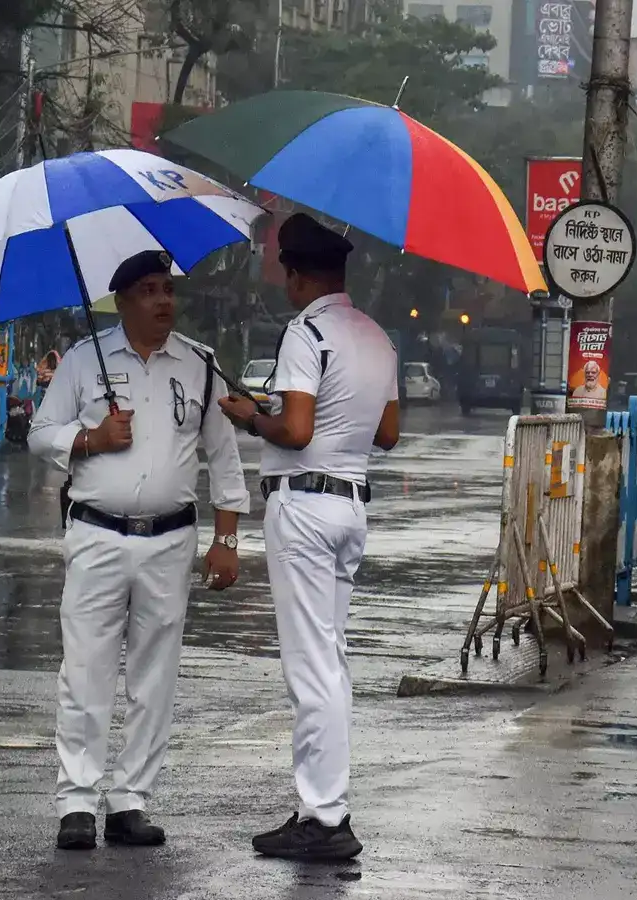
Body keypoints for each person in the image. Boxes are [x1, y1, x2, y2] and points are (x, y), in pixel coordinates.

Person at [29, 249, 250, 851]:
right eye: (149, 291)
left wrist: (227, 539)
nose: (163, 301)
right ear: (122, 301)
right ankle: (77, 800)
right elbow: (39, 432)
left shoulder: (199, 364)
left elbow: (224, 459)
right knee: (86, 671)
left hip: (170, 540)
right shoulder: (81, 361)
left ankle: (130, 799)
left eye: (168, 290)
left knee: (155, 676)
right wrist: (89, 438)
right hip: (97, 535)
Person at [218, 214, 399, 862]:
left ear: (297, 275)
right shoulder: (378, 338)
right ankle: (323, 805)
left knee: (311, 667)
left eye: (285, 273)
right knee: (331, 664)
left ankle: (325, 819)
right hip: (352, 510)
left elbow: (293, 432)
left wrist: (251, 415)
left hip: (306, 510)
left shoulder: (307, 332)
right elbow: (387, 434)